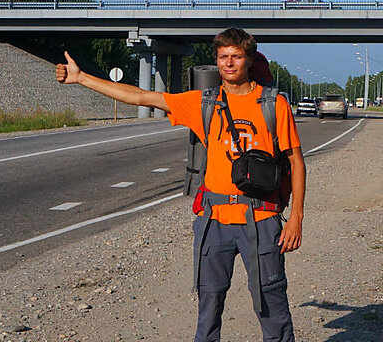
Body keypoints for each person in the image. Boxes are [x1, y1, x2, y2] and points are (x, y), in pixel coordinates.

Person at [56, 27, 304, 342]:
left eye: (236, 56)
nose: (229, 63)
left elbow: (297, 162)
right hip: (214, 221)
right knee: (208, 307)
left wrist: (296, 217)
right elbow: (142, 95)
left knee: (272, 308)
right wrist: (82, 79)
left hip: (263, 218)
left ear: (249, 59)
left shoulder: (273, 104)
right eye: (223, 57)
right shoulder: (203, 103)